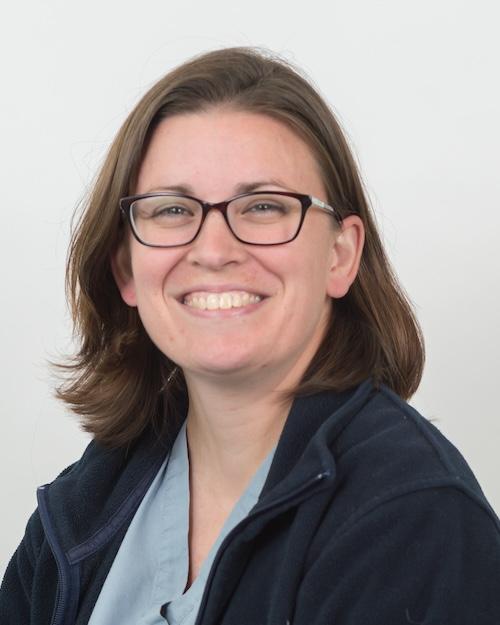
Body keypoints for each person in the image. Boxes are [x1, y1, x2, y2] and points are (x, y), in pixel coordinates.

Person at [1, 46, 499, 625]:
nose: (213, 250)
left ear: (341, 255)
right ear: (126, 269)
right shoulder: (91, 499)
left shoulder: (414, 522)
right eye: (171, 210)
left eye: (263, 206)